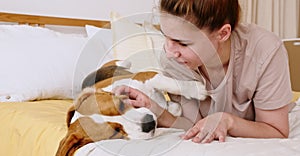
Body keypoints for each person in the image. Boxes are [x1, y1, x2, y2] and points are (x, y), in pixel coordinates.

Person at [113, 0, 294, 143]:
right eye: (165, 36)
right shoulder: (174, 61)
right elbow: (192, 126)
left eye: (183, 43)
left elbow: (276, 130)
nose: (169, 51)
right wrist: (154, 108)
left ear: (222, 34)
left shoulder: (265, 50)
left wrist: (228, 121)